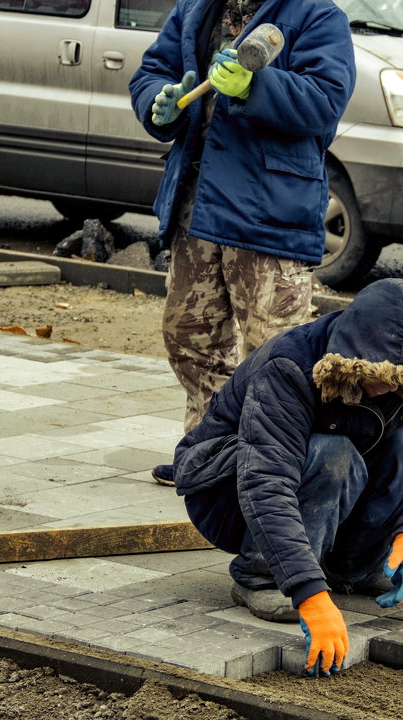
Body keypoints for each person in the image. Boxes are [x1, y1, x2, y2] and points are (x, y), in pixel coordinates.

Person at [172, 278, 403, 676]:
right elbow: (266, 481)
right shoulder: (289, 366)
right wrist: (309, 594)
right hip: (227, 492)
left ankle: (353, 568)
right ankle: (262, 576)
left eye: (402, 377)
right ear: (355, 354)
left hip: (315, 481)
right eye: (381, 373)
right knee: (332, 451)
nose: (391, 386)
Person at [129, 0, 356, 487]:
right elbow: (152, 69)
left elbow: (325, 101)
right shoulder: (195, 9)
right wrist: (159, 100)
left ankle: (275, 467)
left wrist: (259, 85)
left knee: (277, 354)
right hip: (198, 205)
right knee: (190, 337)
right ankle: (209, 455)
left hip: (268, 210)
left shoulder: (316, 15)